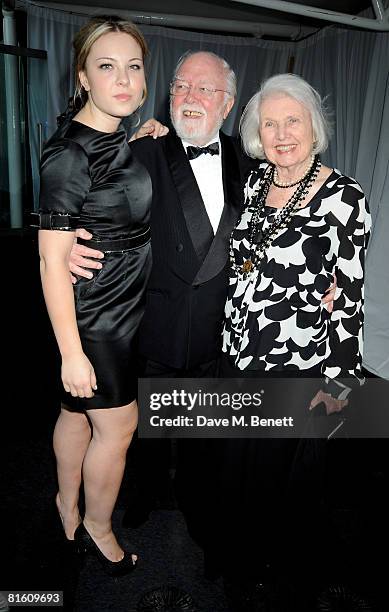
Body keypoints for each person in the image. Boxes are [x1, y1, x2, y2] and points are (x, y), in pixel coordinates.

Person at [68, 54, 335, 574]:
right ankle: (142, 494)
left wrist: (324, 283)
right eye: (181, 86)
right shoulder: (139, 151)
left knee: (200, 432)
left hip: (222, 333)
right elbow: (88, 203)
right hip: (151, 324)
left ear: (230, 105)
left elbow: (294, 230)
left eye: (206, 90)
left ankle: (194, 500)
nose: (191, 97)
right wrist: (71, 242)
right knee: (142, 427)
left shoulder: (255, 166)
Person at [217, 73, 371, 591]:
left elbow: (349, 295)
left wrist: (342, 379)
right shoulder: (258, 182)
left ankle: (284, 575)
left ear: (313, 126)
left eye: (293, 121)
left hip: (297, 359)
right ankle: (245, 559)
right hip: (239, 354)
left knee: (285, 479)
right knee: (242, 468)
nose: (282, 133)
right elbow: (243, 265)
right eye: (270, 123)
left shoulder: (345, 196)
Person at [36, 15, 151, 576]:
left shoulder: (115, 134)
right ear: (83, 75)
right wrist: (71, 352)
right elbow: (51, 262)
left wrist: (149, 134)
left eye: (133, 66)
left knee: (77, 416)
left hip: (122, 305)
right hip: (97, 316)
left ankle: (66, 503)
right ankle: (99, 529)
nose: (124, 79)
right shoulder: (70, 152)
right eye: (107, 66)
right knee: (118, 427)